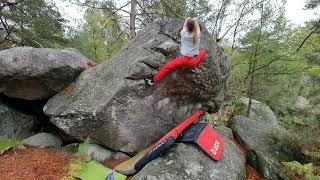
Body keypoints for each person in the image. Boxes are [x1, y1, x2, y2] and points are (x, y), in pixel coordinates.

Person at [145, 17, 207, 85]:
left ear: (187, 27)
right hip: (192, 62)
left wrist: (187, 19)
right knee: (203, 52)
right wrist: (195, 20)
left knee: (167, 68)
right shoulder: (198, 35)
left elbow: (184, 26)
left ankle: (153, 81)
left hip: (182, 60)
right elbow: (197, 28)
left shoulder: (183, 34)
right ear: (196, 29)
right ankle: (195, 67)